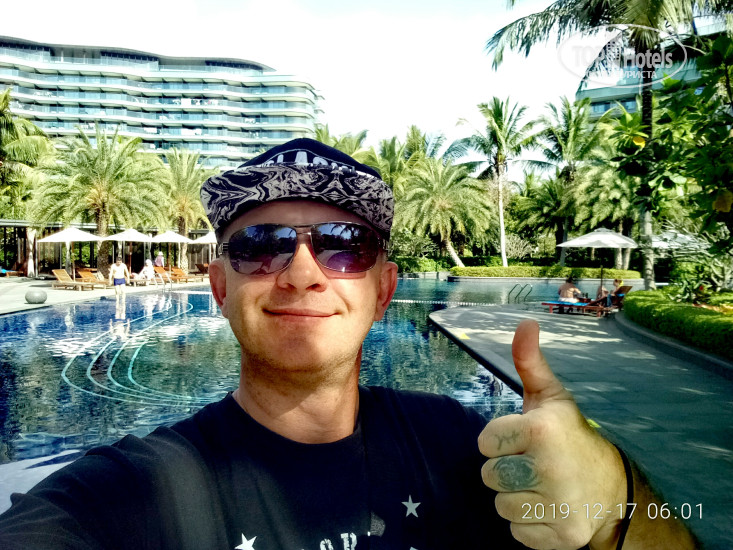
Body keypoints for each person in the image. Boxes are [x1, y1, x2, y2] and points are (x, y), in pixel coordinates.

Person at [0, 139, 696, 549]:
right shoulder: (126, 494)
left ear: (384, 289)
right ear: (217, 286)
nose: (302, 273)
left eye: (343, 246)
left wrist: (617, 498)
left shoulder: (469, 450)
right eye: (261, 245)